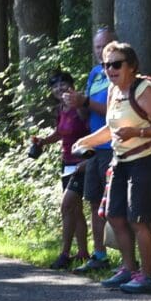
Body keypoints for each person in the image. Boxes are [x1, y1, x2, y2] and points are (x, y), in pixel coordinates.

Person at [72, 42, 151, 295]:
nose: (110, 70)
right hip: (120, 161)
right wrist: (85, 141)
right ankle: (129, 268)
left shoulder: (145, 90)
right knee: (114, 215)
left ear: (132, 66)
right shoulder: (113, 92)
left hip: (147, 160)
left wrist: (138, 131)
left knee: (139, 220)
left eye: (117, 64)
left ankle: (147, 276)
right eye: (107, 65)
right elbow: (111, 129)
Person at [66, 28, 116, 273]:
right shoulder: (95, 73)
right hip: (95, 147)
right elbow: (87, 114)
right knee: (94, 201)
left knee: (115, 205)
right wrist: (77, 104)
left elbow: (116, 113)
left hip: (113, 146)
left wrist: (85, 101)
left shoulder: (119, 73)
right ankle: (99, 254)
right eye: (97, 47)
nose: (101, 52)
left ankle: (130, 261)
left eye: (105, 46)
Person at [31, 71, 90, 270]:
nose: (59, 89)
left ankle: (64, 254)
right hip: (67, 162)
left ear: (71, 85)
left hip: (82, 163)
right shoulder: (61, 109)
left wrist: (78, 104)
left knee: (66, 206)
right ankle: (83, 253)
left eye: (63, 85)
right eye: (55, 86)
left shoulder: (79, 106)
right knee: (76, 209)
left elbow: (90, 127)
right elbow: (60, 132)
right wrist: (43, 141)